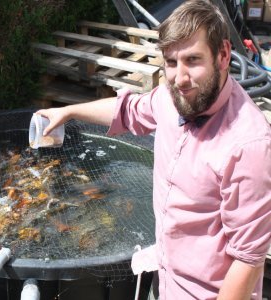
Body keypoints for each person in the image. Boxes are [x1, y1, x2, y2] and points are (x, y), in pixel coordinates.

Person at [37, 0, 271, 299]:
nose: (180, 78)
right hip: (167, 277)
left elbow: (247, 260)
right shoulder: (172, 97)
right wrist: (68, 111)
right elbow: (129, 110)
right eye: (171, 62)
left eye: (193, 60)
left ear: (223, 54)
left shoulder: (247, 145)